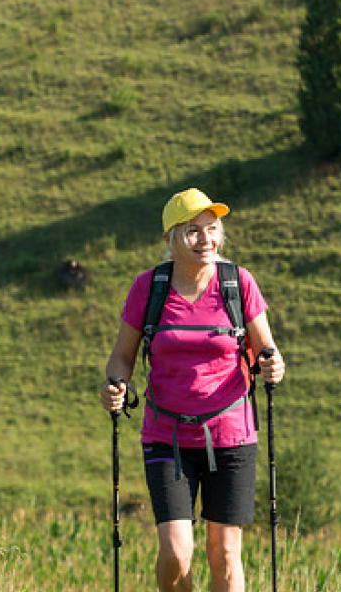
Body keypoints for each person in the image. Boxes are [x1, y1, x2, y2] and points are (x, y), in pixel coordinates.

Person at [102, 188, 286, 592]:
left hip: (232, 434)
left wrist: (273, 364)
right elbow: (121, 358)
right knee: (176, 553)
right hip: (166, 436)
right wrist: (114, 386)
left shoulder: (239, 283)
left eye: (212, 228)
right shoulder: (149, 288)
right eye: (192, 231)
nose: (206, 239)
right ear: (170, 238)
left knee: (223, 553)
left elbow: (266, 349)